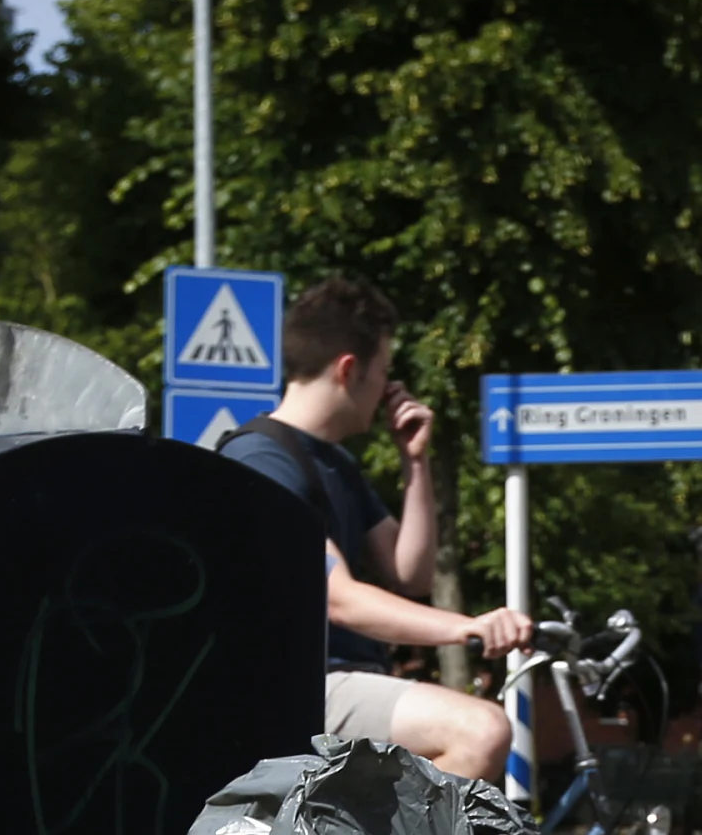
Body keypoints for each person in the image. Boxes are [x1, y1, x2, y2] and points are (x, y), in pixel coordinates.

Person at [219, 277, 531, 783]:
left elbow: (411, 574)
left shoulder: (337, 464)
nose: (388, 387)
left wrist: (415, 463)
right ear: (349, 369)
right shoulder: (261, 459)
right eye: (384, 369)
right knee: (480, 731)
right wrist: (466, 627)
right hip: (300, 688)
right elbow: (340, 599)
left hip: (346, 681)